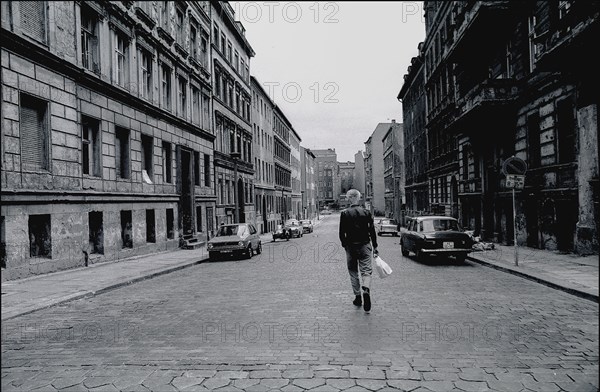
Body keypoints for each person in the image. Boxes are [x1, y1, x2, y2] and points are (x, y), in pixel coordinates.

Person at [339, 189, 378, 313]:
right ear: (359, 198)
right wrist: (375, 246)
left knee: (353, 271)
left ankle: (358, 297)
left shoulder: (344, 213)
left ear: (349, 198)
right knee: (366, 271)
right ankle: (366, 288)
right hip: (365, 245)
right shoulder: (366, 212)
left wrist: (345, 245)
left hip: (351, 246)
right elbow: (372, 231)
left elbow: (341, 233)